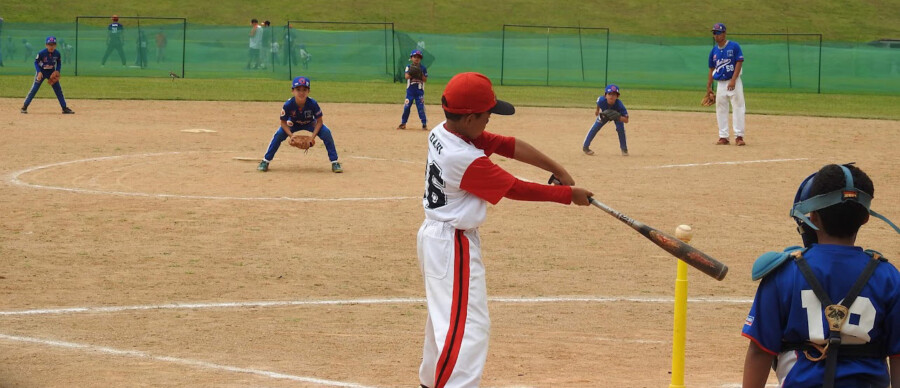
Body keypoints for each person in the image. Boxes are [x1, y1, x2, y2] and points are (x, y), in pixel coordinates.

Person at [417, 72, 593, 388]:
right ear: (470, 118)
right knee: (468, 328)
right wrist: (569, 195)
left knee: (445, 325)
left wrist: (557, 169)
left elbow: (508, 145)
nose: (489, 121)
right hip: (451, 244)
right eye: (486, 115)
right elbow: (514, 188)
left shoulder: (445, 132)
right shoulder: (463, 157)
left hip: (439, 238)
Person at [742, 163, 900, 388]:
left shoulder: (785, 273)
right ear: (865, 217)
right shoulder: (889, 277)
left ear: (813, 217)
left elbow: (760, 351)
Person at [257, 76, 342, 173]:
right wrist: (291, 136)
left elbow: (319, 122)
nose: (301, 93)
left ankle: (334, 162)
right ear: (293, 91)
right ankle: (265, 161)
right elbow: (283, 123)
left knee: (326, 132)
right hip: (293, 123)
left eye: (304, 89)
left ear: (308, 91)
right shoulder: (288, 104)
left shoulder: (313, 103)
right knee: (279, 134)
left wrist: (312, 137)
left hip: (310, 122)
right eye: (298, 89)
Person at [707, 23, 746, 146]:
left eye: (718, 32)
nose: (716, 35)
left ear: (724, 33)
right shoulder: (713, 51)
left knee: (738, 108)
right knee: (720, 109)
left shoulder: (734, 46)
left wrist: (733, 80)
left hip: (734, 82)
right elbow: (711, 69)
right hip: (720, 84)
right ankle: (723, 136)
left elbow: (739, 62)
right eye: (714, 33)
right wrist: (708, 87)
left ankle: (739, 136)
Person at [20, 36, 74, 114]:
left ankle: (64, 108)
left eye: (53, 44)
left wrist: (57, 71)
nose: (51, 46)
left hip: (51, 72)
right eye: (49, 44)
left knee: (58, 90)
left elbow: (59, 62)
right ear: (46, 45)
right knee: (34, 89)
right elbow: (36, 62)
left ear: (55, 45)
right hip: (42, 72)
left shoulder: (57, 53)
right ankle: (24, 106)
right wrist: (38, 72)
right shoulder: (42, 53)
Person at [582, 84, 630, 156]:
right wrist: (597, 110)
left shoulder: (620, 105)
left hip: (617, 115)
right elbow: (598, 103)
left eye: (614, 94)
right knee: (595, 127)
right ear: (605, 95)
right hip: (605, 114)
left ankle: (624, 149)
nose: (611, 96)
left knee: (620, 129)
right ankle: (585, 147)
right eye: (609, 94)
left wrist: (618, 117)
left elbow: (626, 120)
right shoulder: (601, 100)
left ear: (617, 96)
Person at [397, 49, 428, 130]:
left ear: (420, 59)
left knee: (420, 108)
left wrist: (420, 73)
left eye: (418, 57)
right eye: (414, 57)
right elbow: (406, 77)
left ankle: (424, 124)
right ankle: (403, 123)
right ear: (411, 58)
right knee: (406, 107)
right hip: (410, 91)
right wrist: (413, 72)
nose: (416, 58)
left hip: (419, 91)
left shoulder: (423, 68)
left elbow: (425, 79)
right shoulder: (408, 67)